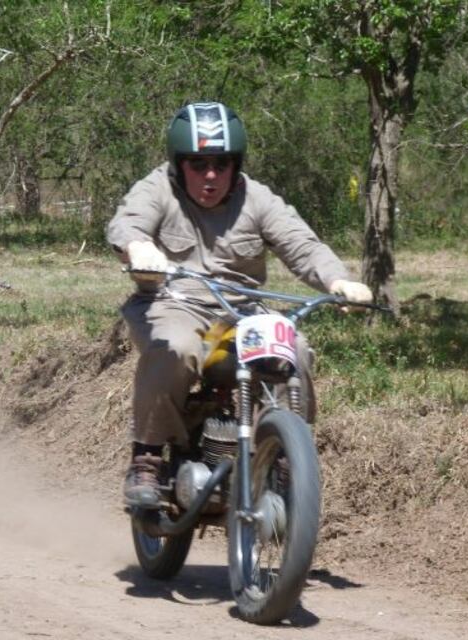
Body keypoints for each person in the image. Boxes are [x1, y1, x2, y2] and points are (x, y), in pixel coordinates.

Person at [106, 101, 373, 508]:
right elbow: (127, 222)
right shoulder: (158, 188)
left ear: (236, 164)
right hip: (175, 303)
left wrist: (338, 281)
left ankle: (282, 454)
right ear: (179, 165)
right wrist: (138, 247)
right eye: (198, 164)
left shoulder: (257, 197)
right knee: (174, 349)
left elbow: (301, 244)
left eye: (221, 163)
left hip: (243, 312)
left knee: (295, 351)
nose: (210, 175)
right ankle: (148, 456)